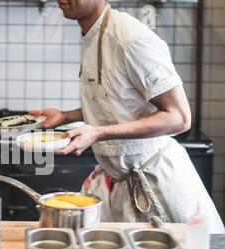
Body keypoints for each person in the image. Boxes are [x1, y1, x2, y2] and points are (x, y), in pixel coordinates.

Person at [31, 0, 224, 233]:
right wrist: (66, 116)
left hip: (155, 181)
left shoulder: (130, 38)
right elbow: (119, 101)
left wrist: (98, 132)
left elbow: (179, 117)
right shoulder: (93, 35)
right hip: (122, 181)